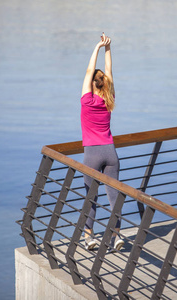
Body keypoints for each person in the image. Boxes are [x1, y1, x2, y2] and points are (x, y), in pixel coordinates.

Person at [80, 33, 124, 252]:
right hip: (110, 152)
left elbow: (91, 71)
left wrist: (97, 45)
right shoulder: (109, 99)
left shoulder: (87, 100)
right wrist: (108, 48)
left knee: (91, 196)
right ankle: (116, 236)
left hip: (92, 154)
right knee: (114, 196)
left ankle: (88, 237)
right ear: (104, 84)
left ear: (91, 84)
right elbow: (109, 71)